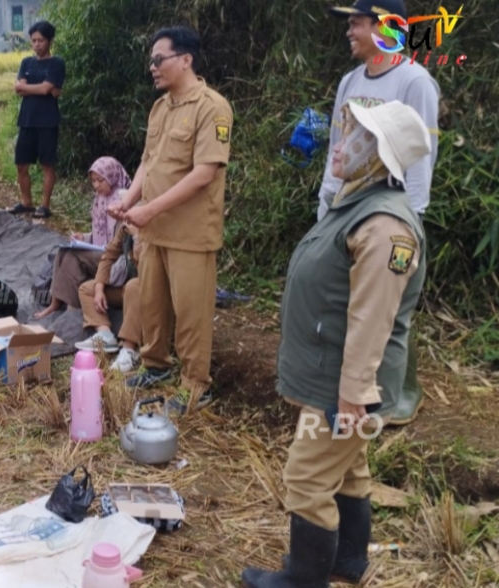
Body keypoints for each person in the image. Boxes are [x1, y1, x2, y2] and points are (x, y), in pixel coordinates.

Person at [241, 100, 431, 588]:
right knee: (349, 470)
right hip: (337, 377)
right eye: (345, 135)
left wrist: (351, 397)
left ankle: (303, 581)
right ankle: (347, 563)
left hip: (347, 386)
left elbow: (372, 320)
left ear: (380, 156)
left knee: (306, 478)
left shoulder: (386, 227)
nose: (341, 147)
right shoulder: (357, 203)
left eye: (358, 139)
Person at [320, 0, 440, 426]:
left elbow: (421, 153)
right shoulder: (351, 80)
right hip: (349, 207)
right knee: (353, 305)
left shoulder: (414, 81)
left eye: (357, 23)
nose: (349, 31)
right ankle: (354, 391)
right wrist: (326, 204)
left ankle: (391, 403)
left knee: (391, 314)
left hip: (390, 209)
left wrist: (411, 213)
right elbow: (338, 145)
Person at [108, 26, 233, 415]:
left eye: (158, 60)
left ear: (185, 60)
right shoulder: (161, 108)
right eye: (151, 61)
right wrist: (128, 201)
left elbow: (204, 173)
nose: (153, 68)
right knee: (152, 302)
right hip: (154, 229)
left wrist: (151, 208)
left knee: (191, 314)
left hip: (190, 234)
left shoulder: (212, 107)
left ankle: (196, 386)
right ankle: (156, 365)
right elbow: (149, 161)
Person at [34, 156, 128, 320]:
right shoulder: (101, 200)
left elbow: (119, 241)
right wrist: (83, 238)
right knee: (63, 251)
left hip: (115, 259)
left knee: (73, 256)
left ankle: (73, 308)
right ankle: (55, 303)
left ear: (112, 177)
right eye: (94, 181)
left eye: (101, 180)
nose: (96, 185)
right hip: (101, 251)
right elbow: (99, 234)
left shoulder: (122, 203)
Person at [7, 20, 65, 219]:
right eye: (34, 40)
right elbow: (20, 89)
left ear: (49, 41)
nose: (37, 44)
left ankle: (45, 205)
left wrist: (32, 88)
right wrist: (43, 88)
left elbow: (45, 89)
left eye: (41, 40)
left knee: (47, 165)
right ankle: (26, 202)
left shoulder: (57, 63)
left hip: (48, 122)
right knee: (21, 164)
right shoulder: (26, 63)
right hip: (27, 120)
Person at [74, 221, 144, 373]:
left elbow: (148, 268)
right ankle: (105, 335)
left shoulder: (150, 229)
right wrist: (99, 287)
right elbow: (108, 255)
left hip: (148, 290)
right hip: (126, 288)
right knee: (88, 289)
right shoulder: (124, 229)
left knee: (133, 286)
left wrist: (138, 238)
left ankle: (129, 349)